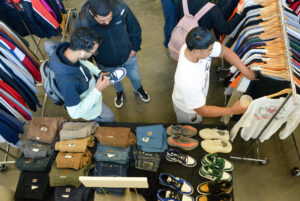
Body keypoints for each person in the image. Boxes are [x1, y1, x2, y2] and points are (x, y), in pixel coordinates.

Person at [172, 26, 256, 123]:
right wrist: (232, 110)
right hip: (188, 110)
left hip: (196, 97)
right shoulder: (188, 80)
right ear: (197, 52)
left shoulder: (192, 47)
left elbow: (224, 51)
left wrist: (245, 70)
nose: (213, 51)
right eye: (210, 50)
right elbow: (202, 110)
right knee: (190, 129)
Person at [75, 0, 150, 109]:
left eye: (109, 18)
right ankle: (119, 93)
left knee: (136, 76)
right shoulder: (83, 23)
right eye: (102, 20)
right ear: (92, 13)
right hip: (106, 64)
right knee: (115, 82)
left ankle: (138, 89)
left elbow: (135, 28)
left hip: (128, 56)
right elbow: (84, 51)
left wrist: (134, 48)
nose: (107, 23)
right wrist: (93, 70)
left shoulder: (120, 8)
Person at [49, 27, 114, 122]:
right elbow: (75, 113)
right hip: (91, 110)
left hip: (92, 95)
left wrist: (98, 72)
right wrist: (97, 90)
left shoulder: (70, 52)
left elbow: (83, 63)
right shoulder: (67, 82)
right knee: (109, 117)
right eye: (93, 52)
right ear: (82, 52)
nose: (93, 54)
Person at [176, 0, 244, 36]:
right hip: (200, 44)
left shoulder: (182, 1)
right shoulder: (213, 9)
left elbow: (178, 18)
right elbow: (226, 29)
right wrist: (239, 12)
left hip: (181, 37)